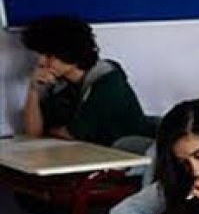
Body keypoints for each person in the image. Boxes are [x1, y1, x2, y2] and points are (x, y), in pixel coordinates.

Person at [20, 15, 149, 147]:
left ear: (70, 53)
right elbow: (33, 133)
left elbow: (71, 134)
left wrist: (50, 130)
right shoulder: (62, 85)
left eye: (49, 56)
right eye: (40, 55)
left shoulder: (108, 82)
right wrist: (33, 90)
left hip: (125, 154)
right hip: (88, 153)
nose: (41, 62)